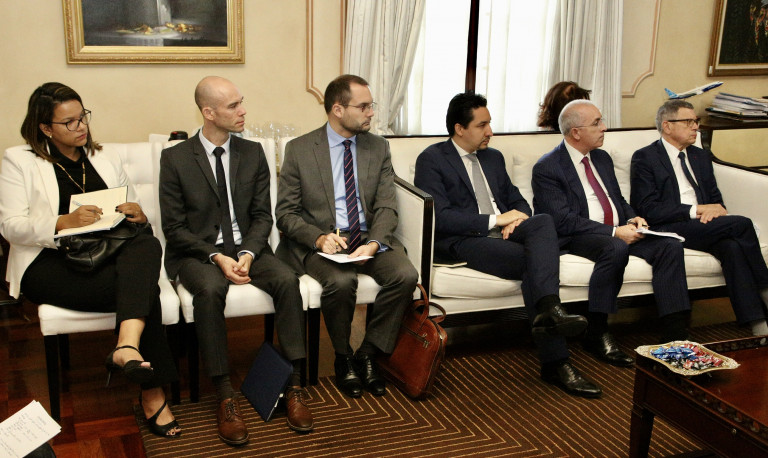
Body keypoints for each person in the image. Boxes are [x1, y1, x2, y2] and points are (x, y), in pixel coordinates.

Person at [0, 82, 180, 438]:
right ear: (45, 128)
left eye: (82, 116)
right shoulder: (19, 160)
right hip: (48, 262)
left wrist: (138, 213)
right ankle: (152, 391)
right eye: (69, 122)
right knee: (145, 292)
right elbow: (10, 226)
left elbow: (128, 214)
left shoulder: (103, 157)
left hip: (107, 254)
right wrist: (62, 222)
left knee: (145, 242)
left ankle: (126, 347)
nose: (81, 126)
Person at [414, 92, 600, 399]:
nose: (490, 131)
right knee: (534, 262)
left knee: (543, 221)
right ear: (460, 128)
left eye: (489, 123)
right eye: (482, 125)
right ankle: (556, 359)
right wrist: (495, 220)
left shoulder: (493, 157)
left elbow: (517, 200)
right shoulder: (432, 159)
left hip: (505, 232)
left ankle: (550, 311)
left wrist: (517, 219)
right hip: (465, 240)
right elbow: (441, 217)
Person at [159, 76, 312, 444]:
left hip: (249, 248)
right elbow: (174, 228)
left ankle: (293, 384)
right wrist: (216, 256)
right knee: (210, 289)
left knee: (287, 280)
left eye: (242, 102)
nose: (243, 111)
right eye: (233, 106)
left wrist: (247, 253)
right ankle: (224, 394)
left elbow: (262, 216)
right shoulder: (175, 158)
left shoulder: (253, 153)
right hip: (198, 252)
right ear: (208, 112)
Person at [275, 74, 418, 399]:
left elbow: (386, 205)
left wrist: (374, 243)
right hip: (323, 242)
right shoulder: (300, 149)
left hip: (366, 237)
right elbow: (286, 213)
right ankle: (343, 356)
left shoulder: (378, 147)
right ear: (337, 109)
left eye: (371, 105)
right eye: (363, 106)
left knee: (405, 275)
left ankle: (368, 353)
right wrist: (318, 238)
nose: (371, 113)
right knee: (341, 282)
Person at [532, 100, 692, 361]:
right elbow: (562, 221)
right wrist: (614, 232)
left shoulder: (602, 158)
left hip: (617, 229)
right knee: (615, 247)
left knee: (669, 245)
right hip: (578, 235)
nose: (604, 127)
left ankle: (675, 333)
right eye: (597, 123)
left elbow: (617, 199)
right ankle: (597, 331)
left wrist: (632, 217)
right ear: (576, 132)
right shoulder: (548, 167)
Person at [630, 99, 768, 336]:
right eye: (688, 122)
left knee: (731, 247)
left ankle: (757, 324)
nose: (696, 127)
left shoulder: (700, 157)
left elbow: (716, 200)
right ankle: (765, 290)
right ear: (667, 126)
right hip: (669, 227)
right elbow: (648, 208)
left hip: (703, 226)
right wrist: (696, 210)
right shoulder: (645, 158)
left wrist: (716, 210)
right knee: (743, 224)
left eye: (696, 121)